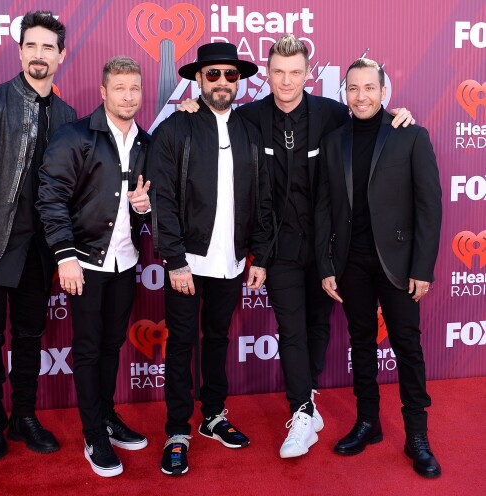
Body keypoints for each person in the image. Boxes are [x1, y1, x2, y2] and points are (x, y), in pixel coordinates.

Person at [177, 34, 413, 459]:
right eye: (279, 73)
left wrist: (399, 116)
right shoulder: (248, 117)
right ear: (267, 74)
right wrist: (192, 107)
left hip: (327, 246)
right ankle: (301, 411)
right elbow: (212, 119)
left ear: (309, 75)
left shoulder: (331, 113)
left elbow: (368, 115)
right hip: (277, 246)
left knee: (318, 326)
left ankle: (309, 396)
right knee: (291, 328)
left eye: (295, 73)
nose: (286, 81)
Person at [0, 11, 76, 461]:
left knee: (29, 337)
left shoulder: (67, 115)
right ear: (20, 50)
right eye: (31, 46)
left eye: (48, 47)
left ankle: (24, 416)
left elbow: (71, 187)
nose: (38, 55)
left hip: (39, 254)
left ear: (61, 56)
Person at [148, 42, 272, 475]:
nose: (222, 82)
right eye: (213, 74)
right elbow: (161, 199)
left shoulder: (251, 130)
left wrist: (259, 256)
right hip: (188, 263)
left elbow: (263, 199)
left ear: (241, 81)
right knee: (182, 344)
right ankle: (178, 429)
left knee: (218, 338)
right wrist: (176, 261)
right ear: (197, 79)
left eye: (231, 75)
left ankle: (214, 416)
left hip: (232, 262)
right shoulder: (174, 129)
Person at [314, 57, 442, 478]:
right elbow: (326, 207)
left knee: (407, 346)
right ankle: (367, 422)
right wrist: (327, 262)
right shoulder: (335, 141)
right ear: (344, 92)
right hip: (352, 261)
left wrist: (422, 267)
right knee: (361, 343)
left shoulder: (411, 135)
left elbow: (429, 207)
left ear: (384, 91)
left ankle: (417, 436)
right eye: (353, 88)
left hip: (400, 263)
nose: (361, 95)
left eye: (369, 87)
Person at [37, 56, 150, 478]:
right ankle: (93, 435)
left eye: (134, 88)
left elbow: (144, 207)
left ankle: (106, 416)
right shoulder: (74, 136)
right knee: (86, 349)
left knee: (110, 345)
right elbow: (50, 198)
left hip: (125, 262)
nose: (127, 95)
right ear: (103, 92)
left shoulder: (145, 143)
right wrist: (65, 255)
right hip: (83, 261)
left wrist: (146, 208)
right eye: (119, 88)